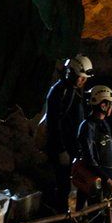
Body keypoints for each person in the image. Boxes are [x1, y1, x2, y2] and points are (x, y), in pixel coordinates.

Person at [41, 55, 94, 212]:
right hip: (61, 147)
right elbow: (54, 124)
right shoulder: (59, 92)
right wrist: (61, 149)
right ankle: (61, 219)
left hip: (72, 146)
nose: (83, 81)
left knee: (73, 184)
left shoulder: (74, 91)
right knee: (62, 185)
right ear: (70, 72)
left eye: (85, 79)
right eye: (81, 77)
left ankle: (71, 214)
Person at [74, 84, 112, 210]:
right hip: (97, 180)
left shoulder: (104, 124)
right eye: (110, 104)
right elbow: (89, 159)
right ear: (103, 105)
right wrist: (107, 180)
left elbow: (111, 153)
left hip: (109, 179)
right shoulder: (88, 127)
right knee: (96, 216)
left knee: (110, 216)